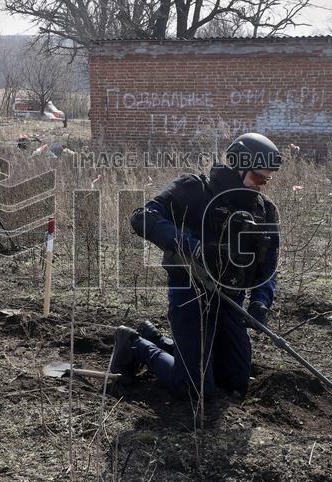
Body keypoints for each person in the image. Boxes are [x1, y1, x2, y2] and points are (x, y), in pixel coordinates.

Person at [112, 133, 282, 400]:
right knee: (195, 387)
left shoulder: (264, 211)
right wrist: (191, 246)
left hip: (230, 301)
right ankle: (134, 344)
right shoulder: (193, 189)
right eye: (257, 178)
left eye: (266, 180)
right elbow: (143, 217)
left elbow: (269, 265)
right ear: (239, 167)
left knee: (236, 382)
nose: (261, 186)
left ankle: (158, 340)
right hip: (190, 297)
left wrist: (261, 302)